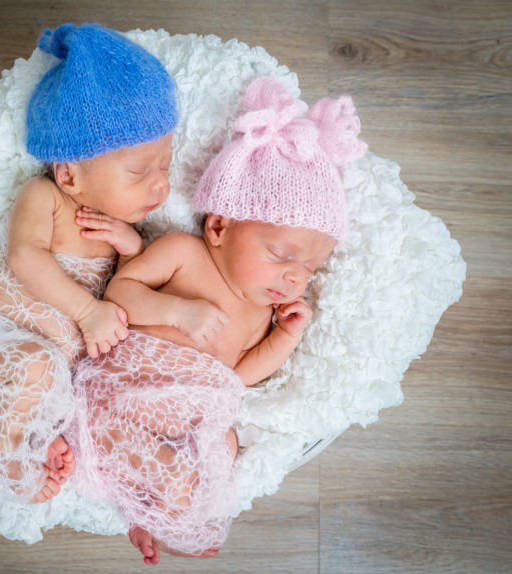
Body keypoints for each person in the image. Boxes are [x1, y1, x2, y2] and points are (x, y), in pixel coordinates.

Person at [67, 76, 367, 564]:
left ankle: (145, 511)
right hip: (134, 389)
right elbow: (120, 294)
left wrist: (287, 337)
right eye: (280, 254)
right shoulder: (184, 254)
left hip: (196, 405)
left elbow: (240, 374)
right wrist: (177, 311)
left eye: (309, 269)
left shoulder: (264, 312)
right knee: (176, 471)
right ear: (220, 226)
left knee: (220, 447)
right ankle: (138, 483)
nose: (295, 277)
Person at [0, 23, 178, 505]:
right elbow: (24, 257)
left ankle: (30, 438)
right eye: (141, 171)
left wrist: (133, 248)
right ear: (69, 173)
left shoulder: (124, 233)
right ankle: (8, 460)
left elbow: (134, 289)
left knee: (77, 392)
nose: (160, 186)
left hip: (38, 381)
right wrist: (86, 312)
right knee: (39, 365)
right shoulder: (47, 198)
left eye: (165, 165)